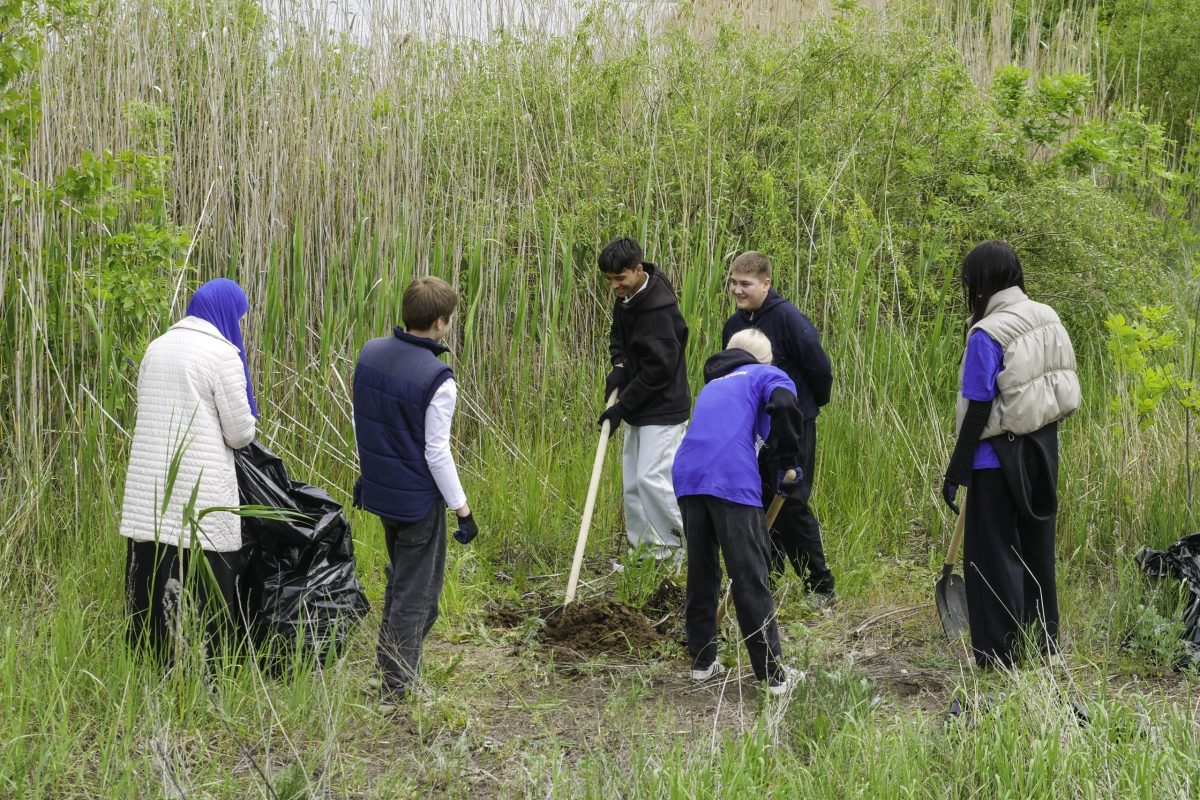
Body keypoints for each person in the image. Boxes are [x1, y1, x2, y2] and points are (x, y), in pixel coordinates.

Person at [941, 240, 1080, 669]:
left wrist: (956, 470)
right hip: (1044, 448)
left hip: (996, 457)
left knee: (992, 554)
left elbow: (978, 404)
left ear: (980, 283)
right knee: (1036, 550)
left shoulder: (988, 332)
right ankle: (1044, 644)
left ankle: (999, 655)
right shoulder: (1047, 315)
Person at [352, 275, 478, 707]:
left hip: (381, 493)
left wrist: (368, 474)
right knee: (418, 596)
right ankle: (396, 687)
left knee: (401, 582)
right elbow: (437, 453)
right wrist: (462, 510)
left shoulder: (370, 353)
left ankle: (384, 671)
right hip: (416, 503)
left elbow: (364, 423)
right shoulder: (438, 378)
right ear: (441, 322)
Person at [119, 277, 259, 662]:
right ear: (228, 312)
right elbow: (240, 432)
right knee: (208, 583)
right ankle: (207, 665)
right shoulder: (222, 353)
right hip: (202, 488)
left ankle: (152, 665)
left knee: (152, 579)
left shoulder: (156, 347)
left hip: (149, 490)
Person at [672, 328, 806, 695]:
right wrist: (790, 461)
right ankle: (774, 677)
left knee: (702, 571)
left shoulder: (713, 385)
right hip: (729, 475)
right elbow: (783, 405)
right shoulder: (768, 374)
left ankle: (702, 662)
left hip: (686, 475)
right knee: (750, 576)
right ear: (765, 360)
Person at [722, 252, 835, 606]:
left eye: (746, 284)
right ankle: (766, 579)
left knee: (792, 502)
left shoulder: (789, 319)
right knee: (758, 500)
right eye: (734, 283)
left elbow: (820, 369)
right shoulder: (733, 326)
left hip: (792, 425)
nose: (738, 291)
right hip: (753, 431)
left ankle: (820, 585)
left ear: (766, 283)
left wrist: (803, 410)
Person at [597, 237, 691, 560]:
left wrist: (621, 407)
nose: (614, 286)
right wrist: (619, 365)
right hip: (639, 404)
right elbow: (617, 334)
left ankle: (678, 552)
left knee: (653, 479)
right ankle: (644, 553)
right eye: (609, 280)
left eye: (619, 278)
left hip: (664, 408)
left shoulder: (660, 312)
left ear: (638, 270)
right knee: (633, 484)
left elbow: (658, 372)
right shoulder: (627, 296)